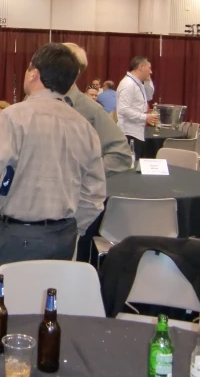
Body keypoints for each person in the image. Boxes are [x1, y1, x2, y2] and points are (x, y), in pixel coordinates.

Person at [0, 43, 106, 315]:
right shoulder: (84, 128)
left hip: (18, 236)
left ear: (34, 74)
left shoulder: (14, 117)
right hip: (64, 237)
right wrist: (73, 229)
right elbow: (94, 195)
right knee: (46, 311)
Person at [63, 44, 132, 265]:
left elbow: (121, 154)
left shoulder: (89, 110)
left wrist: (84, 175)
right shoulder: (33, 103)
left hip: (69, 210)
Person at [116, 56, 159, 159]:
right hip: (129, 132)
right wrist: (145, 117)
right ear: (141, 67)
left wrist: (148, 81)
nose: (151, 72)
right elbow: (123, 109)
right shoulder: (128, 84)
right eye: (149, 68)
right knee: (131, 164)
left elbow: (149, 96)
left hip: (137, 131)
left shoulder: (137, 83)